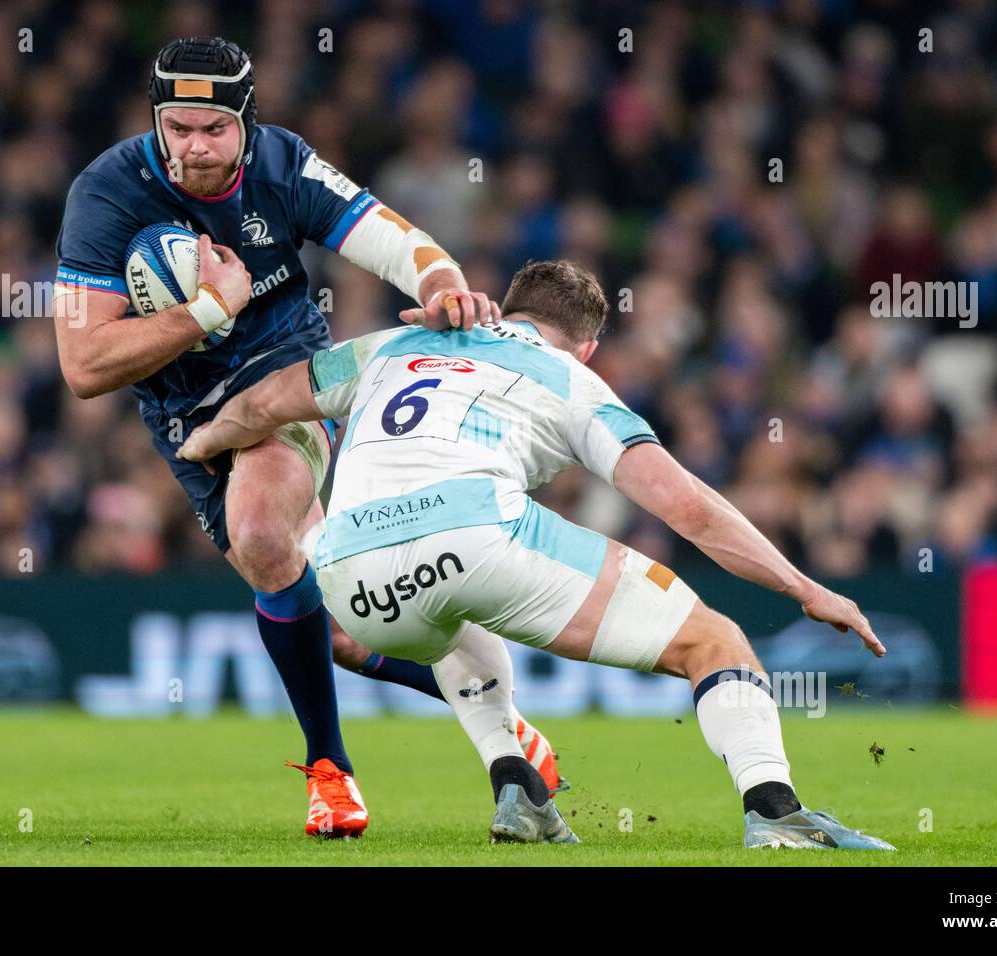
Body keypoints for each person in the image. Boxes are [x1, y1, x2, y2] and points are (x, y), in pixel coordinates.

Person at [177, 260, 896, 850]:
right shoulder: (572, 379)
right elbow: (689, 509)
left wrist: (203, 443)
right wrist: (807, 589)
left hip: (348, 572)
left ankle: (515, 782)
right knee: (714, 640)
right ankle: (776, 810)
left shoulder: (389, 347)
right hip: (472, 533)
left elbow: (268, 399)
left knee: (458, 618)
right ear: (585, 346)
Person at [52, 36, 561, 838]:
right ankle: (503, 718)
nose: (193, 147)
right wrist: (209, 310)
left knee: (260, 531)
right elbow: (82, 364)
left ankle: (331, 773)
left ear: (246, 124)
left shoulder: (285, 167)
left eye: (212, 130)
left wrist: (444, 287)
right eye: (176, 127)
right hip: (186, 421)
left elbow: (393, 239)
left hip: (285, 379)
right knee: (348, 632)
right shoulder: (107, 192)